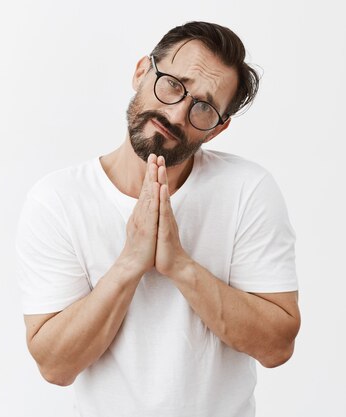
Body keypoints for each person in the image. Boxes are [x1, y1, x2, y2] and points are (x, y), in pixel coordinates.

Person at [15, 21, 301, 416]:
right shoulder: (57, 200)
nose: (176, 113)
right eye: (172, 84)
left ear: (218, 130)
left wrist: (179, 265)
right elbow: (55, 366)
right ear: (140, 73)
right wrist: (131, 263)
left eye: (203, 107)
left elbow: (277, 347)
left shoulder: (247, 189)